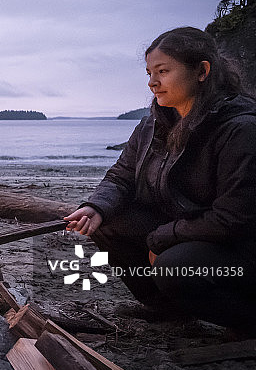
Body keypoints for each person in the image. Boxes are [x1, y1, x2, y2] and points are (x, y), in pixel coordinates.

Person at [64, 26, 256, 332]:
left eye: (163, 71)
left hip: (237, 247)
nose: (152, 82)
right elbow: (121, 176)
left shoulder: (240, 129)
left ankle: (246, 320)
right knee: (107, 220)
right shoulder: (153, 124)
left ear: (202, 71)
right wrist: (96, 207)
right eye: (149, 73)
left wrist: (162, 237)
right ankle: (168, 309)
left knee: (173, 266)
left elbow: (232, 219)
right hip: (186, 229)